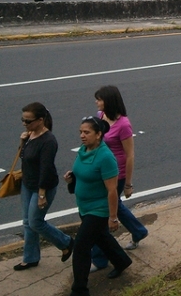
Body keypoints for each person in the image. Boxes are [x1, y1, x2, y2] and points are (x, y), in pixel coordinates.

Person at [65, 116, 132, 296]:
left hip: (99, 209)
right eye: (81, 132)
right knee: (101, 237)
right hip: (84, 206)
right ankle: (122, 261)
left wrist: (113, 217)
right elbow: (82, 173)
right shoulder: (83, 150)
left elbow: (112, 190)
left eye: (87, 132)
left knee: (81, 247)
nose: (82, 135)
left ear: (99, 134)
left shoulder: (106, 157)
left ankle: (79, 289)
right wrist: (71, 180)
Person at [90, 86, 148, 271]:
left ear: (109, 101)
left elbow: (130, 155)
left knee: (102, 212)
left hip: (117, 173)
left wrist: (128, 184)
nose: (97, 102)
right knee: (115, 206)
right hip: (103, 169)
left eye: (99, 99)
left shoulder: (123, 125)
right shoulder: (100, 116)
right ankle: (139, 231)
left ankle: (99, 257)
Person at [13, 102, 74, 271]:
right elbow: (24, 157)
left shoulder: (48, 141)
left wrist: (41, 194)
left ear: (40, 120)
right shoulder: (30, 135)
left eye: (28, 121)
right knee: (27, 223)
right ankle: (30, 258)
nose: (24, 124)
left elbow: (46, 169)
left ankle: (66, 242)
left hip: (43, 186)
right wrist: (22, 141)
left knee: (35, 222)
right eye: (23, 120)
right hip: (28, 184)